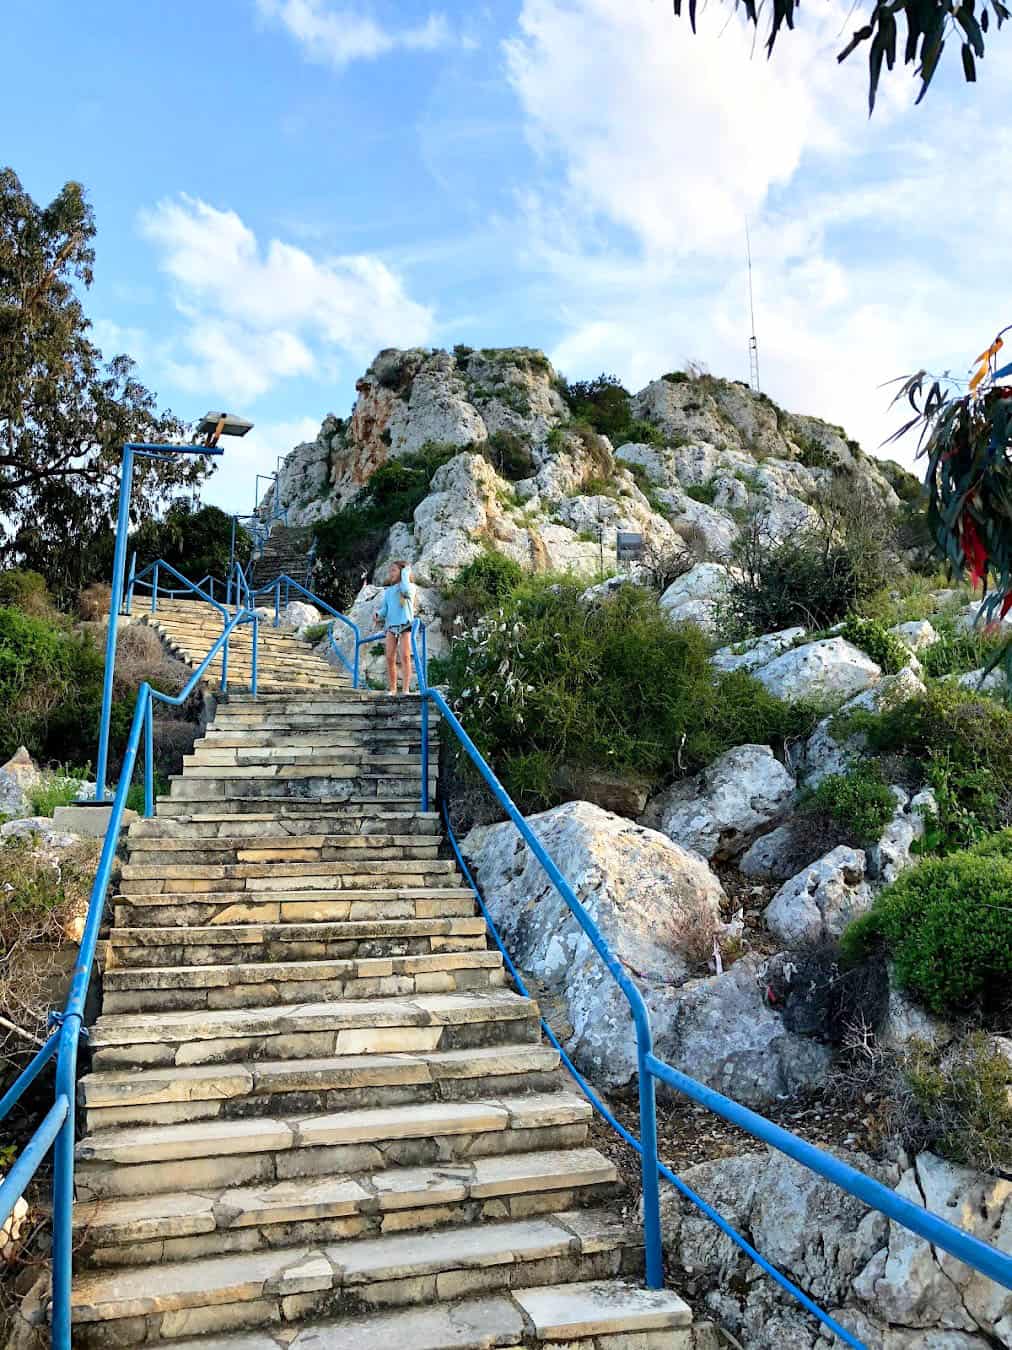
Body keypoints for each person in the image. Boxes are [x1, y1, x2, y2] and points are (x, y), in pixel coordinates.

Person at [374, 560, 416, 695]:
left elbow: (406, 591)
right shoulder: (389, 591)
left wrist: (405, 573)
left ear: (402, 572)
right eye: (390, 570)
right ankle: (392, 689)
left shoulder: (409, 587)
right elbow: (385, 609)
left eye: (394, 570)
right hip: (391, 626)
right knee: (390, 657)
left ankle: (405, 689)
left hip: (405, 624)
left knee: (405, 656)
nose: (390, 573)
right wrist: (378, 614)